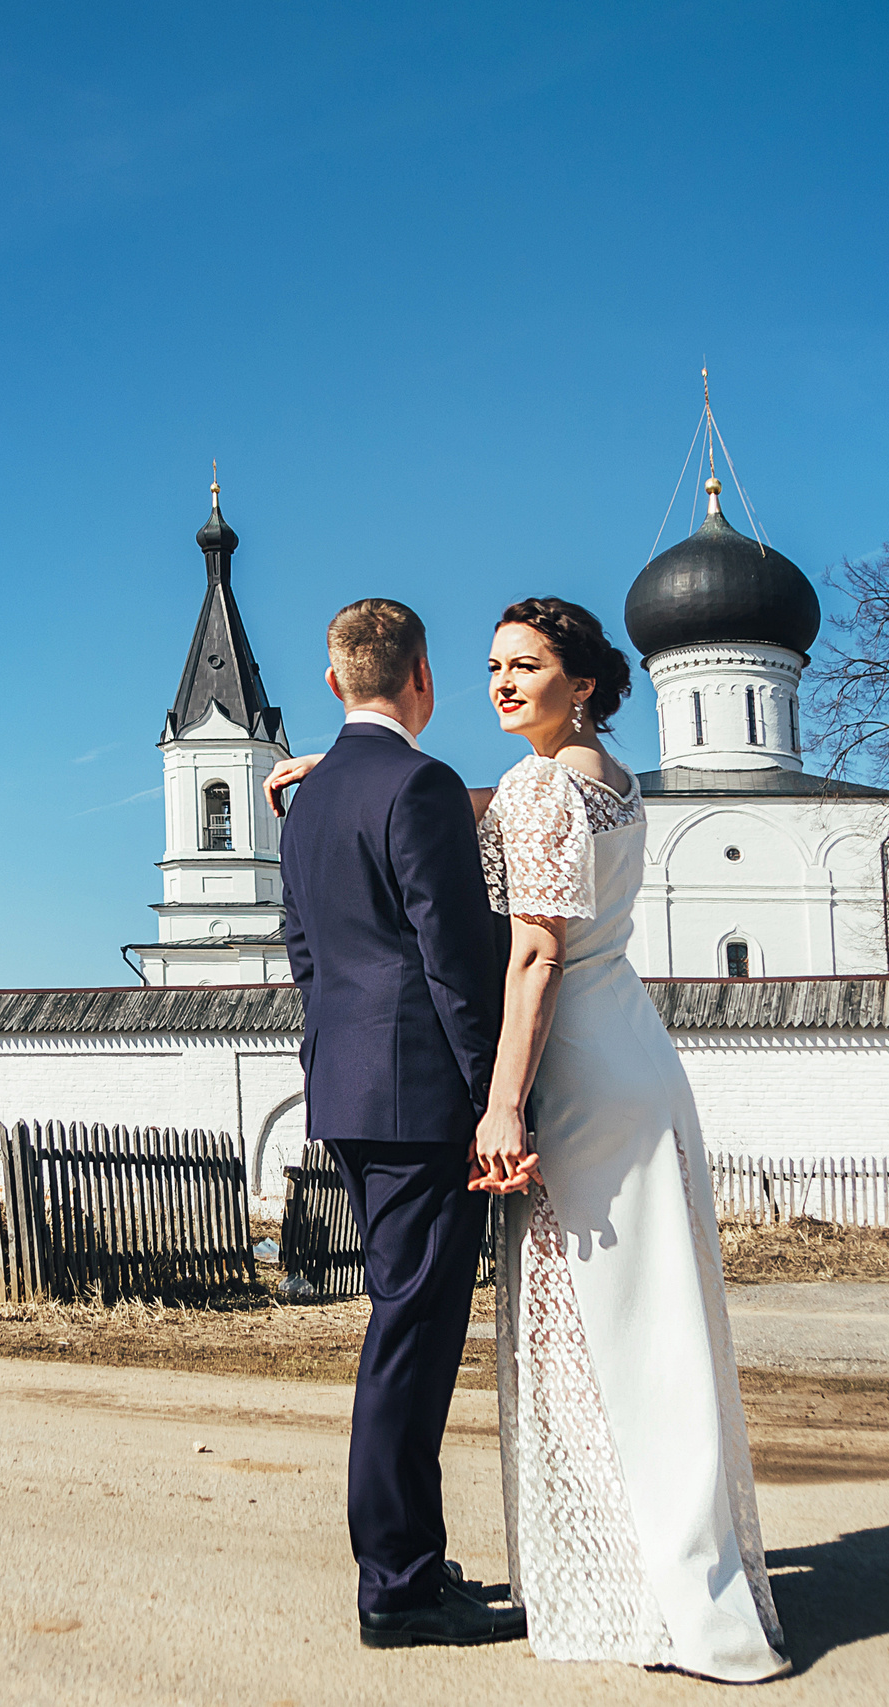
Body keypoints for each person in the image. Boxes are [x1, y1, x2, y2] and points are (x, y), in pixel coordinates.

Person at [270, 597, 789, 1682]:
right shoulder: (607, 782)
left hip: (553, 1075)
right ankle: (624, 1569)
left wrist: (499, 1102)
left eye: (527, 667)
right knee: (639, 1315)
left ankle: (606, 1577)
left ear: (584, 682)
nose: (502, 684)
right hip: (622, 1054)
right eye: (494, 666)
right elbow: (474, 837)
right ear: (417, 679)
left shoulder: (500, 789)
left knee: (601, 1323)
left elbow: (526, 953)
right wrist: (363, 760)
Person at [275, 597, 529, 1650]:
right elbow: (452, 958)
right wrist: (490, 1098)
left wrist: (329, 1063)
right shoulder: (419, 784)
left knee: (406, 1328)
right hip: (421, 1096)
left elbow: (302, 955)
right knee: (410, 1336)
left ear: (335, 683)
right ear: (419, 677)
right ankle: (397, 1586)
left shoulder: (305, 798)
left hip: (348, 1088)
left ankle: (411, 1559)